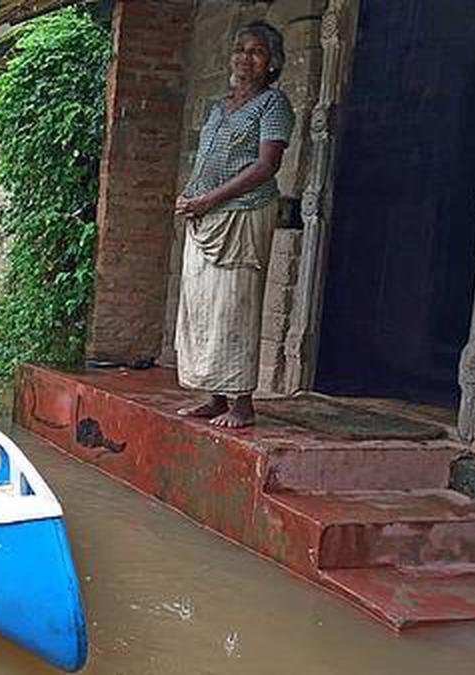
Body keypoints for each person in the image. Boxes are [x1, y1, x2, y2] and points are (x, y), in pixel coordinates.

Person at [173, 20, 295, 429]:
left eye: (256, 51)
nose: (245, 58)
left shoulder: (273, 104)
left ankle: (242, 404)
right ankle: (215, 395)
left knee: (235, 304)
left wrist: (209, 199)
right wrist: (192, 196)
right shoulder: (217, 107)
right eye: (240, 49)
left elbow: (266, 165)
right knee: (204, 305)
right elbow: (206, 160)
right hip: (205, 216)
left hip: (242, 214)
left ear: (272, 63)